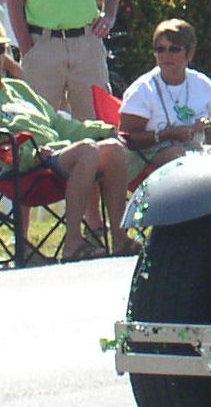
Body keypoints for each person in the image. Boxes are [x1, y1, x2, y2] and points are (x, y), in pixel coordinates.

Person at [0, 56, 136, 260]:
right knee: (87, 151)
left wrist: (105, 130)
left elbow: (59, 125)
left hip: (57, 156)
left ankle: (120, 239)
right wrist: (31, 155)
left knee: (112, 149)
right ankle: (73, 243)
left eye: (1, 49)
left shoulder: (19, 89)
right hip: (24, 167)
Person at [119, 19, 211, 170]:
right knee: (181, 158)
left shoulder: (202, 83)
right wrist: (167, 134)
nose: (166, 55)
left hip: (202, 152)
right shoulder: (143, 89)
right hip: (150, 157)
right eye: (160, 49)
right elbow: (126, 138)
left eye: (174, 49)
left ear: (190, 53)